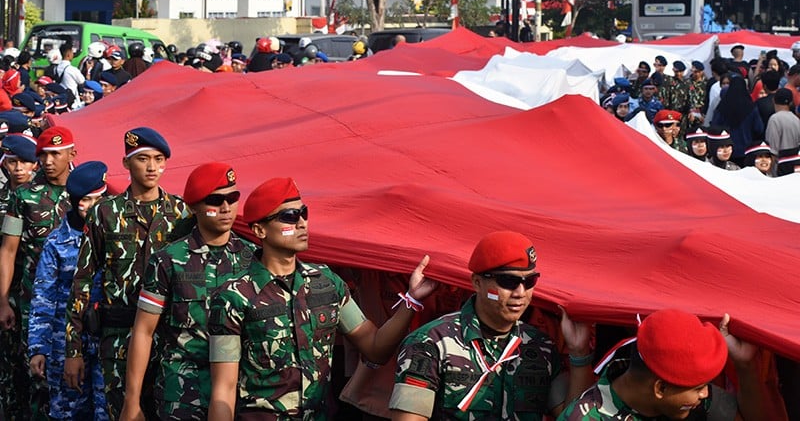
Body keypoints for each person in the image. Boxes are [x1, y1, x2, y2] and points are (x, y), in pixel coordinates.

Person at [208, 177, 437, 420]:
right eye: (289, 216)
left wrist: (412, 300)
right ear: (259, 230)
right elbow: (224, 390)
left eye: (304, 213)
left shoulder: (326, 283)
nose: (302, 223)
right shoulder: (233, 296)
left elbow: (375, 348)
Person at [389, 231, 593, 420]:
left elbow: (572, 416)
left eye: (529, 281)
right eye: (508, 281)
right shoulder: (432, 342)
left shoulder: (541, 347)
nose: (520, 292)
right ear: (477, 282)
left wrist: (579, 354)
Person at [65, 127, 190, 420]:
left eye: (159, 159)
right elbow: (82, 279)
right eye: (143, 159)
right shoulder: (105, 213)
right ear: (126, 163)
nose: (152, 167)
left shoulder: (181, 213)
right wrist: (73, 350)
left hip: (168, 341)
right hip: (119, 339)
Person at [121, 162, 256, 420]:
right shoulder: (168, 260)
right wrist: (132, 400)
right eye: (216, 200)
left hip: (239, 392)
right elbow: (143, 330)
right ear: (194, 207)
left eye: (232, 197)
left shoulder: (253, 258)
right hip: (183, 392)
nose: (227, 207)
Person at [558, 309, 788, 420]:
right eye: (699, 388)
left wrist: (745, 366)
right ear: (660, 388)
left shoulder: (684, 397)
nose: (706, 394)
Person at [0, 126, 76, 420]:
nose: (48, 161)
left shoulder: (87, 195)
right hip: (34, 305)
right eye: (43, 154)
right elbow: (7, 250)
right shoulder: (23, 198)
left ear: (72, 154)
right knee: (38, 382)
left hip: (76, 308)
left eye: (56, 154)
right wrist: (3, 301)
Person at [28, 161, 110, 420]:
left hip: (107, 342)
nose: (93, 207)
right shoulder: (57, 242)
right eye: (86, 200)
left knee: (106, 411)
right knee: (68, 412)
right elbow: (44, 297)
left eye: (99, 199)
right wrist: (38, 348)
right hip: (64, 343)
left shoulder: (116, 236)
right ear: (75, 202)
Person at [711, 76, 764, 166]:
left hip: (725, 151)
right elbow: (759, 129)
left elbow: (714, 127)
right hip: (746, 151)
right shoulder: (751, 108)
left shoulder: (722, 107)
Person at [765, 88, 800, 156]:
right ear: (791, 103)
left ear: (773, 100)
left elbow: (772, 148)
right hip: (794, 161)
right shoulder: (796, 120)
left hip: (780, 163)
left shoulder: (774, 119)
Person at [53, 44, 85, 110]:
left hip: (61, 99)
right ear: (68, 54)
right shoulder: (72, 69)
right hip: (73, 101)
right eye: (72, 52)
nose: (73, 54)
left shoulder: (56, 68)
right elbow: (82, 81)